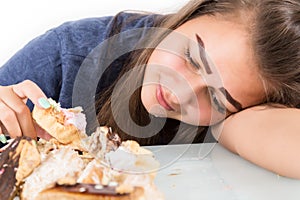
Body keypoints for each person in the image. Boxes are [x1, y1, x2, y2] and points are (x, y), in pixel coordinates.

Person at [0, 0, 300, 178]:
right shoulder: (68, 56)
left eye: (216, 98)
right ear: (195, 12)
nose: (179, 94)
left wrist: (233, 122)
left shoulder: (238, 115)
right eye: (192, 58)